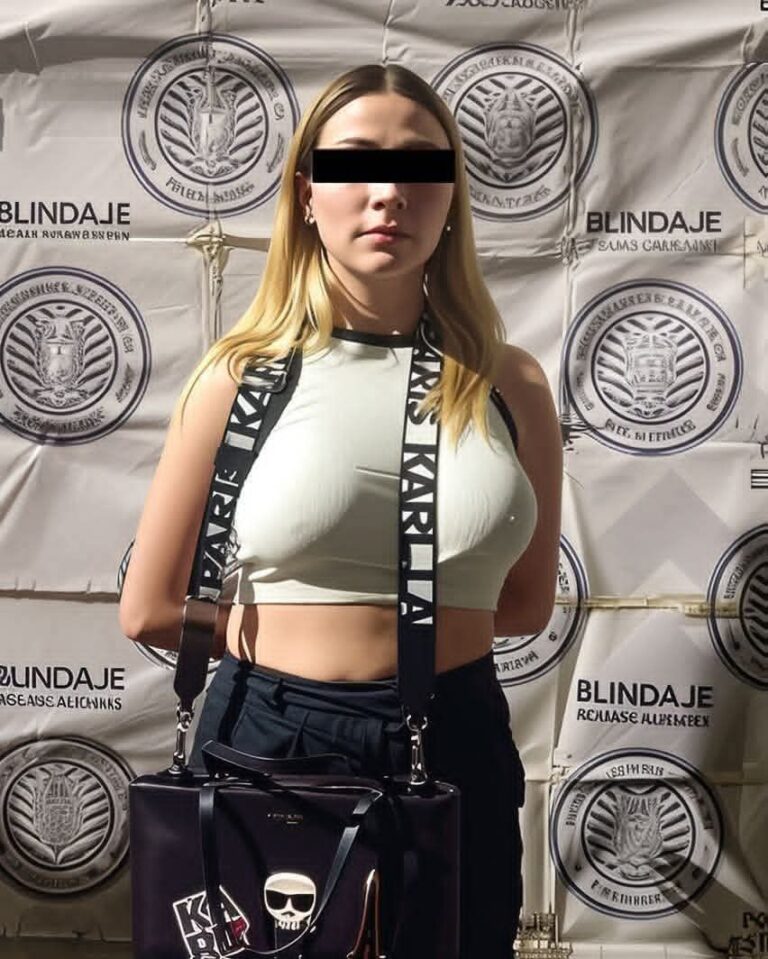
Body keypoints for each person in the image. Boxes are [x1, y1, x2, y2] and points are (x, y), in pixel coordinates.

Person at [119, 62, 562, 959]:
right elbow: (151, 606)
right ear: (306, 194)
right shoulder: (239, 377)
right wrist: (301, 648)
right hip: (269, 735)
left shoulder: (511, 383)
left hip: (458, 732)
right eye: (356, 164)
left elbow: (524, 602)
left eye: (421, 167)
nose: (389, 193)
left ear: (452, 198)